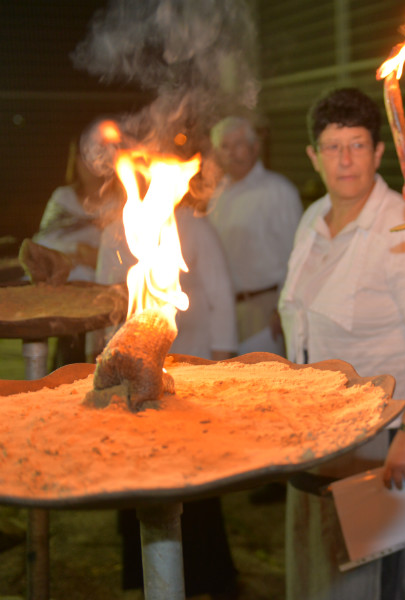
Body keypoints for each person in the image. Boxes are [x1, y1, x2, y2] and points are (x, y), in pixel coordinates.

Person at [278, 87, 405, 600]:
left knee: (393, 584)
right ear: (314, 156)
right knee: (326, 575)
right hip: (315, 432)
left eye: (357, 145)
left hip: (386, 437)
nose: (346, 159)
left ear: (379, 152)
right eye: (333, 147)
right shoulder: (312, 220)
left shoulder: (401, 227)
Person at [93, 186, 242, 599]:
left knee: (193, 477)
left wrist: (222, 358)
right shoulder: (115, 227)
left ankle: (209, 577)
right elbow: (107, 293)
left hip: (190, 361)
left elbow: (219, 292)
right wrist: (106, 349)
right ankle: (146, 579)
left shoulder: (195, 226)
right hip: (128, 371)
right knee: (136, 472)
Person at [207, 115, 303, 356]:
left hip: (263, 313)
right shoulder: (218, 194)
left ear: (255, 147)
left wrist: (283, 311)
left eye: (238, 144)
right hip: (224, 312)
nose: (231, 153)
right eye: (224, 147)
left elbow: (299, 256)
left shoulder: (278, 192)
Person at [33, 136, 120, 366]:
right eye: (82, 157)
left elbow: (122, 249)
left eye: (93, 156)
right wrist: (78, 252)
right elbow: (44, 242)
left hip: (103, 290)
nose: (87, 164)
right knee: (67, 350)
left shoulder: (120, 203)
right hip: (66, 290)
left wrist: (97, 257)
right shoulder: (63, 198)